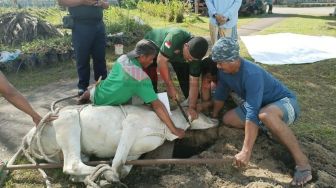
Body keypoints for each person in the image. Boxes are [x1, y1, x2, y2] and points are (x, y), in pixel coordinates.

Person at [211, 37, 312, 186]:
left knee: (266, 115)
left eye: (220, 62)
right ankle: (266, 129)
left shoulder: (252, 74)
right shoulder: (225, 72)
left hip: (285, 103)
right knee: (228, 119)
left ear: (233, 60)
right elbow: (220, 94)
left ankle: (303, 164)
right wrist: (213, 118)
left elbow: (252, 112)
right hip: (260, 105)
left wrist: (246, 151)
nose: (218, 66)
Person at [79, 39, 185, 139]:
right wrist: (174, 130)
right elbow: (157, 106)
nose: (152, 62)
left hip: (98, 92)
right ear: (142, 57)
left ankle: (88, 93)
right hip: (106, 103)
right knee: (147, 102)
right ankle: (89, 93)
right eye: (152, 58)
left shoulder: (123, 58)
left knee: (117, 87)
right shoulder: (141, 78)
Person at [144, 27, 208, 121]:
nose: (190, 60)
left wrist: (192, 107)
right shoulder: (175, 36)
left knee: (185, 77)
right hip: (152, 46)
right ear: (186, 46)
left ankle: (189, 106)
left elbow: (194, 83)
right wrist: (170, 86)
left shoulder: (195, 58)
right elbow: (161, 61)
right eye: (189, 57)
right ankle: (151, 103)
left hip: (175, 55)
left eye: (193, 60)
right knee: (150, 79)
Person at [57, 0, 109, 96]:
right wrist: (82, 1)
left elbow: (107, 5)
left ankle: (102, 85)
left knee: (100, 57)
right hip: (81, 25)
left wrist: (100, 3)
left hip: (98, 25)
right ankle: (83, 87)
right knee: (82, 57)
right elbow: (61, 2)